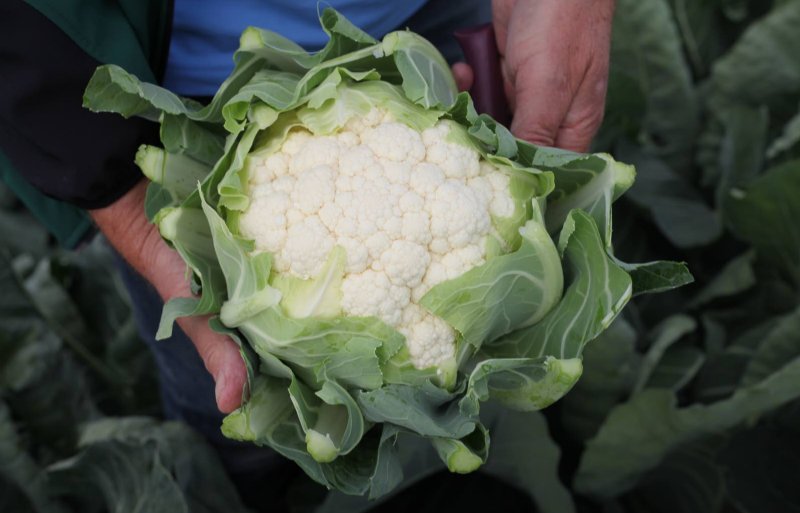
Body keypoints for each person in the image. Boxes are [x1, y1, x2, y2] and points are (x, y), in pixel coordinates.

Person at [0, 0, 615, 504]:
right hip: (183, 88)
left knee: (500, 441)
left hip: (435, 17)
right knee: (228, 415)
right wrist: (108, 180)